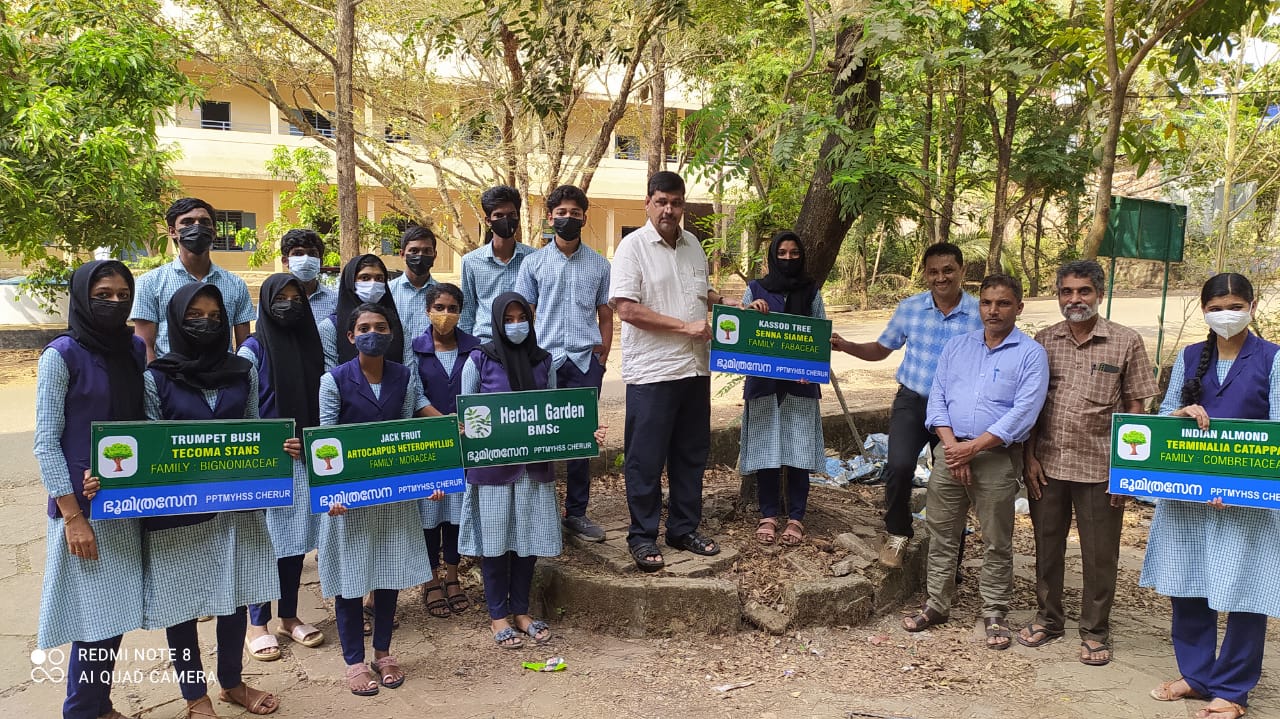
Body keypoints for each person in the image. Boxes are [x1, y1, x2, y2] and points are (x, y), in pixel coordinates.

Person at [141, 282, 284, 717]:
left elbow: (255, 429)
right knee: (180, 603)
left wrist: (278, 451)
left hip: (235, 505)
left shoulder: (243, 369)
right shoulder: (156, 377)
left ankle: (232, 682)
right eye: (194, 316)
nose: (206, 323)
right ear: (176, 323)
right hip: (178, 512)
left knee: (235, 595)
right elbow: (150, 443)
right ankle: (194, 695)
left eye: (215, 316)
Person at [1144, 273, 1280, 719]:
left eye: (1235, 305)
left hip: (1248, 504)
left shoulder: (1273, 360)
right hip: (1189, 499)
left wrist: (1240, 486)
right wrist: (1180, 412)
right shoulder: (1187, 358)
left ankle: (1233, 690)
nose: (1226, 314)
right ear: (1204, 310)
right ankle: (1196, 675)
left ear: (1252, 306)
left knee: (1246, 591)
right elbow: (1163, 420)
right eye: (1217, 306)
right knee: (1188, 583)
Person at [1018, 260, 1158, 666]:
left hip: (1101, 468)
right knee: (1047, 546)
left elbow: (1136, 411)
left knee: (1100, 553)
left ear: (1099, 293)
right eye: (1067, 292)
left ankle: (1095, 630)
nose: (1074, 299)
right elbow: (1031, 406)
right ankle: (1049, 618)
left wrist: (1127, 474)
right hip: (1047, 464)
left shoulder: (1125, 341)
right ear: (1058, 295)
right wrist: (1029, 458)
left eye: (1083, 292)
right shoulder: (1043, 340)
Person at [901, 274, 1048, 652]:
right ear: (978, 305)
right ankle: (937, 604)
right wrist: (953, 448)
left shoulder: (1030, 354)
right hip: (949, 453)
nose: (993, 310)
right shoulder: (956, 347)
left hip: (996, 459)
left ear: (1019, 306)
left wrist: (974, 448)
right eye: (986, 302)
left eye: (1002, 303)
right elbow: (938, 400)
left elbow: (1024, 414)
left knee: (996, 540)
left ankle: (994, 612)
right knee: (942, 535)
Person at [457, 293, 606, 648]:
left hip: (533, 469)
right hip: (492, 471)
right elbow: (465, 416)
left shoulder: (545, 362)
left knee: (527, 542)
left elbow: (554, 412)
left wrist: (584, 432)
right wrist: (464, 430)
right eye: (506, 319)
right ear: (496, 322)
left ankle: (521, 612)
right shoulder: (478, 360)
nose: (515, 325)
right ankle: (497, 617)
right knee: (494, 544)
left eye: (520, 316)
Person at [608, 171, 737, 572]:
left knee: (691, 455)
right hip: (653, 374)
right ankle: (642, 537)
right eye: (661, 201)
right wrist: (684, 327)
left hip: (696, 369)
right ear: (648, 202)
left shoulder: (693, 244)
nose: (669, 210)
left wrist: (727, 302)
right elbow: (625, 308)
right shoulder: (632, 248)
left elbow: (700, 292)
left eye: (676, 203)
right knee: (645, 459)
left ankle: (683, 529)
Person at [34, 261, 147, 719]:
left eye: (123, 294)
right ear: (83, 295)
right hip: (80, 509)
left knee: (113, 612)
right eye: (104, 293)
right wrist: (72, 515)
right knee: (91, 617)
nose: (115, 302)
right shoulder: (60, 355)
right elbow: (45, 441)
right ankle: (81, 709)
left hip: (124, 500)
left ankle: (98, 705)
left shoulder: (134, 349)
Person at [830, 242, 981, 568]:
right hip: (912, 401)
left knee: (954, 479)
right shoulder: (910, 308)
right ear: (925, 274)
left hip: (957, 410)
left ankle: (951, 555)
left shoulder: (979, 315)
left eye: (948, 270)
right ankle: (898, 532)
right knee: (898, 467)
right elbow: (881, 349)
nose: (941, 278)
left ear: (962, 271)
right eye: (933, 272)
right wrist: (846, 346)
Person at [318, 303, 439, 696]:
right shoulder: (332, 380)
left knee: (389, 574)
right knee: (351, 582)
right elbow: (326, 441)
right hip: (349, 500)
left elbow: (409, 435)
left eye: (381, 327)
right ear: (351, 336)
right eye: (365, 327)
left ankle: (383, 651)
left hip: (392, 495)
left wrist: (429, 480)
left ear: (392, 333)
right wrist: (331, 495)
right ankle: (354, 661)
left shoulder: (404, 376)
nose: (374, 333)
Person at [514, 184, 613, 542]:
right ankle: (538, 512)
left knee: (580, 441)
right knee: (540, 436)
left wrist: (603, 353)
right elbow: (525, 314)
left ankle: (576, 512)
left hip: (585, 362)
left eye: (575, 213)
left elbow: (605, 313)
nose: (568, 218)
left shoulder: (601, 265)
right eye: (561, 213)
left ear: (585, 217)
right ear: (550, 217)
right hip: (546, 361)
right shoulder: (534, 263)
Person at [240, 274, 327, 660]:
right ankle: (256, 623)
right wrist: (267, 440)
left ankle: (288, 618)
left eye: (297, 297)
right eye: (282, 298)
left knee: (294, 542)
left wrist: (312, 442)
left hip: (303, 458)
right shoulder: (252, 350)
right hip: (267, 463)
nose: (290, 304)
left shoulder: (312, 343)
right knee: (266, 542)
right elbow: (240, 412)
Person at [740, 231, 826, 547]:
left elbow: (820, 335)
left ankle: (796, 518)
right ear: (772, 256)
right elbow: (739, 334)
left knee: (798, 450)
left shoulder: (812, 291)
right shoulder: (755, 289)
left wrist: (812, 369)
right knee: (767, 451)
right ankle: (768, 515)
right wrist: (749, 311)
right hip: (764, 383)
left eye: (794, 253)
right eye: (782, 253)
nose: (788, 258)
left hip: (800, 385)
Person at [410, 283, 479, 618]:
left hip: (466, 445)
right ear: (427, 310)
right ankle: (430, 580)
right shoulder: (415, 348)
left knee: (454, 512)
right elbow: (414, 393)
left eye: (452, 308)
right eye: (439, 307)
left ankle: (453, 577)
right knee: (428, 515)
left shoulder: (475, 348)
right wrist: (445, 421)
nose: (446, 315)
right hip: (428, 443)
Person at [130, 198, 254, 362]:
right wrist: (157, 383)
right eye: (187, 222)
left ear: (214, 231)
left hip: (222, 380)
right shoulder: (150, 283)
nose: (197, 226)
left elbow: (243, 346)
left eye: (204, 222)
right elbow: (145, 346)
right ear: (172, 231)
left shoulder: (236, 285)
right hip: (171, 380)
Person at [459, 185, 533, 341]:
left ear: (518, 217)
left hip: (524, 343)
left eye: (511, 214)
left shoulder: (534, 259)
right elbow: (467, 311)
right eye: (498, 215)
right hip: (485, 343)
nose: (506, 220)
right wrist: (466, 351)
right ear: (488, 221)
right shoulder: (471, 261)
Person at [320, 254, 407, 369]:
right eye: (365, 278)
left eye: (379, 278)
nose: (373, 283)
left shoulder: (397, 325)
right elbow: (330, 374)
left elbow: (408, 371)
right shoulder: (330, 327)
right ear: (351, 282)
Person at [389, 225, 439, 344]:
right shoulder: (388, 292)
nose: (420, 255)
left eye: (427, 251)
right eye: (414, 251)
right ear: (402, 254)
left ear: (435, 255)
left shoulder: (443, 296)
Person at [281, 228, 336, 324]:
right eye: (298, 253)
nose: (306, 259)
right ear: (285, 261)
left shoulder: (335, 301)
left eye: (312, 254)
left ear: (321, 262)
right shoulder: (275, 300)